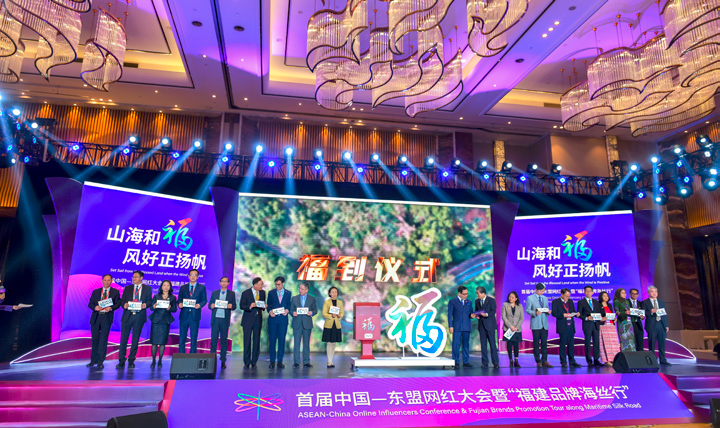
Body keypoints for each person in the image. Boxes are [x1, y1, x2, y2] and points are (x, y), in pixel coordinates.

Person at [117, 271, 152, 369]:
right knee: (123, 339)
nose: (134, 278)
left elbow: (150, 301)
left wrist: (146, 305)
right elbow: (122, 300)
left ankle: (131, 360)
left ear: (141, 278)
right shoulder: (128, 288)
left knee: (135, 339)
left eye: (136, 277)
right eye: (133, 277)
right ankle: (121, 360)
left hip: (139, 316)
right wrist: (124, 304)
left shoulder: (147, 289)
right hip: (127, 316)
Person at [87, 274, 121, 368]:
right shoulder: (96, 292)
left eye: (108, 280)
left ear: (111, 281)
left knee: (103, 340)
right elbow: (90, 304)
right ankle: (93, 360)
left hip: (106, 318)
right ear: (102, 280)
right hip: (96, 318)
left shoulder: (115, 292)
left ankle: (100, 361)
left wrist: (111, 308)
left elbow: (118, 304)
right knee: (95, 340)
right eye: (105, 280)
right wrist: (95, 307)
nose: (106, 282)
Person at [177, 269, 208, 353]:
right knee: (182, 336)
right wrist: (179, 304)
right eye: (191, 275)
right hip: (184, 315)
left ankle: (192, 355)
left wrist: (200, 305)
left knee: (194, 336)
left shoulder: (202, 288)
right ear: (188, 276)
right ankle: (181, 354)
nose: (193, 277)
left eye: (195, 275)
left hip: (195, 315)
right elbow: (179, 299)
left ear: (197, 277)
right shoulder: (183, 287)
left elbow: (204, 300)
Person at [149, 280, 177, 369]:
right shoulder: (156, 296)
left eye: (168, 285)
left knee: (162, 342)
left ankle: (160, 361)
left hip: (165, 321)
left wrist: (170, 308)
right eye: (164, 285)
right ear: (161, 286)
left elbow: (174, 309)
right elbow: (151, 308)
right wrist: (154, 306)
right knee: (154, 342)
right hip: (156, 321)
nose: (166, 287)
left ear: (170, 287)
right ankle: (153, 361)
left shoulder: (173, 297)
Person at [209, 276, 236, 369]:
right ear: (220, 283)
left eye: (226, 281)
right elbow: (210, 305)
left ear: (228, 283)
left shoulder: (231, 294)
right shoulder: (215, 293)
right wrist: (211, 305)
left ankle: (223, 360)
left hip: (224, 320)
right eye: (222, 281)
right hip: (216, 319)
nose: (224, 283)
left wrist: (231, 306)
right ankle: (211, 360)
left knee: (224, 341)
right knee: (214, 340)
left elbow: (234, 306)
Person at [240, 277, 266, 369]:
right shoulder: (245, 293)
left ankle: (254, 361)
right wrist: (249, 306)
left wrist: (264, 306)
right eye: (260, 284)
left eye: (262, 284)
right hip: (247, 320)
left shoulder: (263, 293)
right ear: (255, 285)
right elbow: (241, 305)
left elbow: (262, 305)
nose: (261, 286)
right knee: (247, 341)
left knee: (256, 341)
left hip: (258, 320)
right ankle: (247, 361)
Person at [551, 288, 581, 368]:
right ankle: (563, 361)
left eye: (569, 296)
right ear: (562, 294)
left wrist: (576, 314)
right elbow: (554, 313)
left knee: (571, 344)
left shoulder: (570, 301)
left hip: (571, 325)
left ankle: (572, 361)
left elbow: (572, 311)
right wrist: (562, 315)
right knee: (563, 344)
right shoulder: (555, 302)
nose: (568, 298)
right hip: (562, 325)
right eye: (566, 296)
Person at [291, 282, 318, 368]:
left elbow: (315, 310)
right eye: (299, 288)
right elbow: (291, 310)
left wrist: (311, 313)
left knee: (306, 344)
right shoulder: (294, 298)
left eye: (302, 289)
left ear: (306, 290)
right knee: (296, 344)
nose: (300, 290)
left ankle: (306, 362)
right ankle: (296, 362)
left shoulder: (312, 299)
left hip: (307, 324)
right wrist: (293, 313)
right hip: (297, 323)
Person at [526, 283, 552, 368]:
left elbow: (546, 309)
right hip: (536, 324)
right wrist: (535, 313)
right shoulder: (530, 298)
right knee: (536, 344)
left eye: (543, 291)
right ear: (536, 290)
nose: (542, 292)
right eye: (541, 291)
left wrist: (548, 312)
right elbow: (528, 310)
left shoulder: (545, 298)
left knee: (544, 343)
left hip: (544, 324)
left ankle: (544, 360)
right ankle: (538, 361)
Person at [448, 286, 475, 369]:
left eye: (467, 294)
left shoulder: (469, 302)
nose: (466, 295)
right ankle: (455, 361)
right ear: (459, 293)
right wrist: (450, 326)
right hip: (457, 327)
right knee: (456, 345)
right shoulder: (452, 301)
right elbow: (449, 315)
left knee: (466, 345)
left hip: (466, 326)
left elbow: (470, 313)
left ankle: (466, 361)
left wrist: (472, 315)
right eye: (464, 294)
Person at [643, 286, 671, 365]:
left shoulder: (661, 302)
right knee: (652, 343)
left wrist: (666, 325)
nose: (654, 293)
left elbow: (664, 314)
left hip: (661, 324)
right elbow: (643, 312)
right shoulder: (645, 302)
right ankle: (653, 360)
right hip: (652, 325)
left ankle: (663, 360)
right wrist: (651, 311)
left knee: (662, 343)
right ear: (648, 293)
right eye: (652, 291)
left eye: (655, 291)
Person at [267, 276, 291, 369]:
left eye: (279, 284)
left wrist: (287, 310)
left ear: (283, 284)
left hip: (283, 321)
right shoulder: (271, 293)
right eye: (276, 284)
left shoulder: (288, 293)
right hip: (273, 320)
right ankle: (272, 361)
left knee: (281, 341)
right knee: (272, 341)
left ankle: (280, 361)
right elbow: (268, 305)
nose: (277, 286)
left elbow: (289, 304)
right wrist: (270, 311)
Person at [577, 285, 604, 366]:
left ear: (592, 292)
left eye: (590, 291)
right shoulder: (581, 302)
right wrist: (586, 318)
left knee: (596, 342)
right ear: (584, 292)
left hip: (596, 324)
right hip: (587, 324)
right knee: (587, 342)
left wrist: (601, 318)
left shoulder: (596, 302)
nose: (588, 292)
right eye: (587, 291)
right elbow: (579, 314)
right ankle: (589, 360)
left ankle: (596, 359)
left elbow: (600, 313)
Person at [475, 286, 499, 368]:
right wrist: (477, 316)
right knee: (483, 345)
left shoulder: (491, 300)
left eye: (478, 293)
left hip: (490, 325)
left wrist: (486, 314)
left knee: (492, 344)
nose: (477, 294)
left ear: (483, 293)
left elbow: (493, 311)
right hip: (481, 326)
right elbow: (476, 311)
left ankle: (495, 362)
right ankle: (485, 363)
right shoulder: (477, 301)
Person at [322, 286, 345, 368]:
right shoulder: (327, 302)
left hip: (337, 324)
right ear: (329, 293)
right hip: (329, 324)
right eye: (332, 292)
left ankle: (331, 360)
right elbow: (324, 313)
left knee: (334, 342)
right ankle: (329, 361)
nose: (334, 293)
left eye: (335, 292)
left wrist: (340, 315)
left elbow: (342, 313)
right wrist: (331, 316)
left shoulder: (340, 302)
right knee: (329, 342)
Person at [501, 291, 524, 368]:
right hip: (508, 329)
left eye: (512, 297)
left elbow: (521, 318)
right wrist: (510, 326)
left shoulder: (519, 306)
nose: (511, 298)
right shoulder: (505, 305)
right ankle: (510, 360)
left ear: (516, 298)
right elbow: (504, 316)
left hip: (517, 329)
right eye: (510, 297)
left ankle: (516, 361)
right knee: (509, 344)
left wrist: (516, 327)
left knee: (516, 345)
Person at [598, 291, 620, 365]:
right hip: (603, 326)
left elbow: (611, 314)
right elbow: (597, 315)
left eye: (607, 296)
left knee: (613, 343)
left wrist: (614, 319)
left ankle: (614, 359)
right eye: (604, 296)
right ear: (601, 297)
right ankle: (607, 360)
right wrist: (601, 318)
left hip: (611, 325)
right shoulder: (598, 305)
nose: (606, 297)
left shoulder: (609, 305)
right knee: (605, 344)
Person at [614, 288, 636, 353]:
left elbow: (629, 311)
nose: (624, 294)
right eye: (622, 293)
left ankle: (632, 353)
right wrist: (624, 313)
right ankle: (625, 354)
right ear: (618, 294)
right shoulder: (616, 301)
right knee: (624, 339)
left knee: (631, 338)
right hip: (622, 323)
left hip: (629, 322)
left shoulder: (626, 301)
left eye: (625, 293)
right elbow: (617, 312)